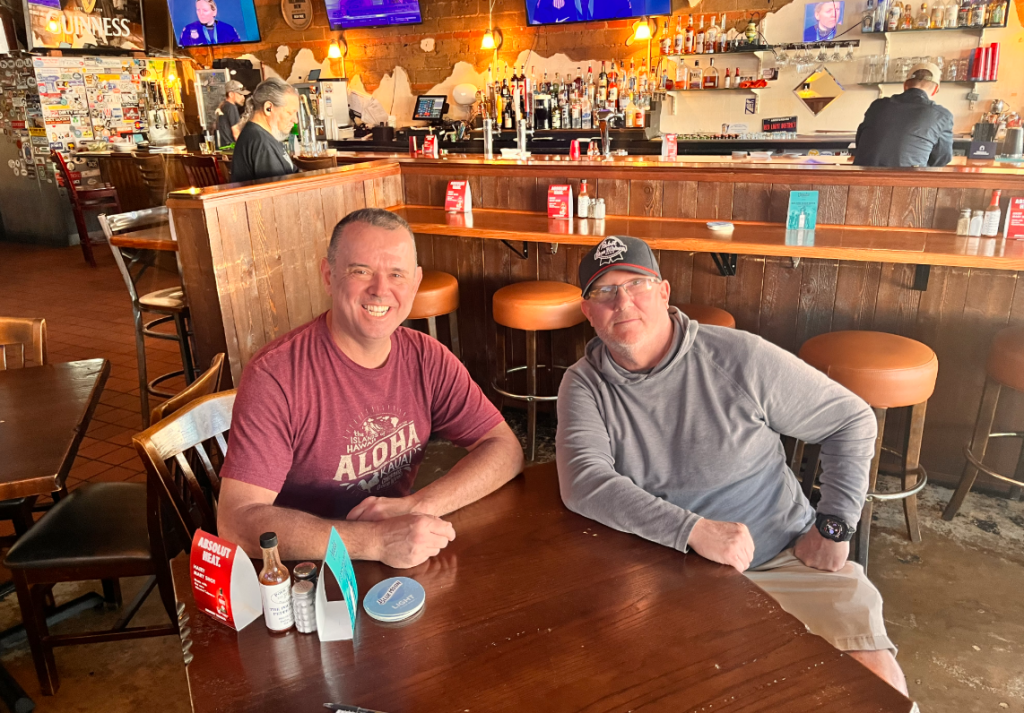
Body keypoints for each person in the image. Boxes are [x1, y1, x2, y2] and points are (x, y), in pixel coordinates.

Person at [555, 235, 909, 695]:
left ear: (663, 293)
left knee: (873, 683)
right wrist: (693, 530)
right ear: (588, 312)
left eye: (635, 284)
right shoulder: (584, 384)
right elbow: (584, 481)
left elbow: (851, 418)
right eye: (603, 292)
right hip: (667, 569)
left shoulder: (738, 356)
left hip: (785, 553)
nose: (622, 301)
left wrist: (836, 524)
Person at [217, 208, 524, 568]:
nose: (381, 290)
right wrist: (375, 541)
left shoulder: (427, 358)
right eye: (361, 271)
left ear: (415, 282)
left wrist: (417, 505)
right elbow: (236, 523)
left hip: (395, 562)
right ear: (329, 276)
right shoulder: (277, 375)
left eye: (397, 274)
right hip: (305, 571)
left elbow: (505, 449)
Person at [854, 63, 954, 168]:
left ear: (905, 85)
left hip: (860, 178)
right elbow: (942, 158)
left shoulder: (877, 106)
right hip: (907, 181)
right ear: (935, 89)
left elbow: (860, 142)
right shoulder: (942, 115)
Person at [229, 77, 300, 183]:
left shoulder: (262, 136)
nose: (296, 120)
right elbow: (277, 193)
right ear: (268, 108)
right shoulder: (261, 143)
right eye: (290, 113)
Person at [214, 79, 248, 148]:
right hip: (231, 148)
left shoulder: (222, 105)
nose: (243, 97)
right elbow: (236, 134)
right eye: (240, 94)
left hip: (222, 148)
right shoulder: (231, 107)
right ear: (231, 94)